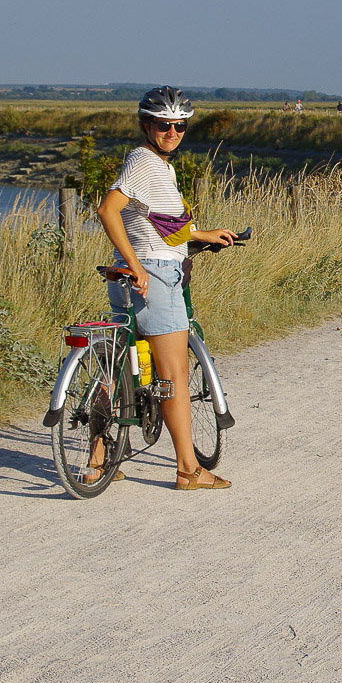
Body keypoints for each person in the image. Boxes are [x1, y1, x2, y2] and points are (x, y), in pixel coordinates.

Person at [95, 86, 241, 491]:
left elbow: (160, 225)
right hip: (154, 276)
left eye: (180, 126)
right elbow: (108, 210)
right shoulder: (145, 163)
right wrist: (140, 266)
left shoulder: (156, 167)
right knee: (173, 373)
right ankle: (188, 470)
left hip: (127, 275)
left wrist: (204, 234)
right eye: (164, 125)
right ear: (146, 125)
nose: (173, 132)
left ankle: (97, 460)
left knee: (118, 365)